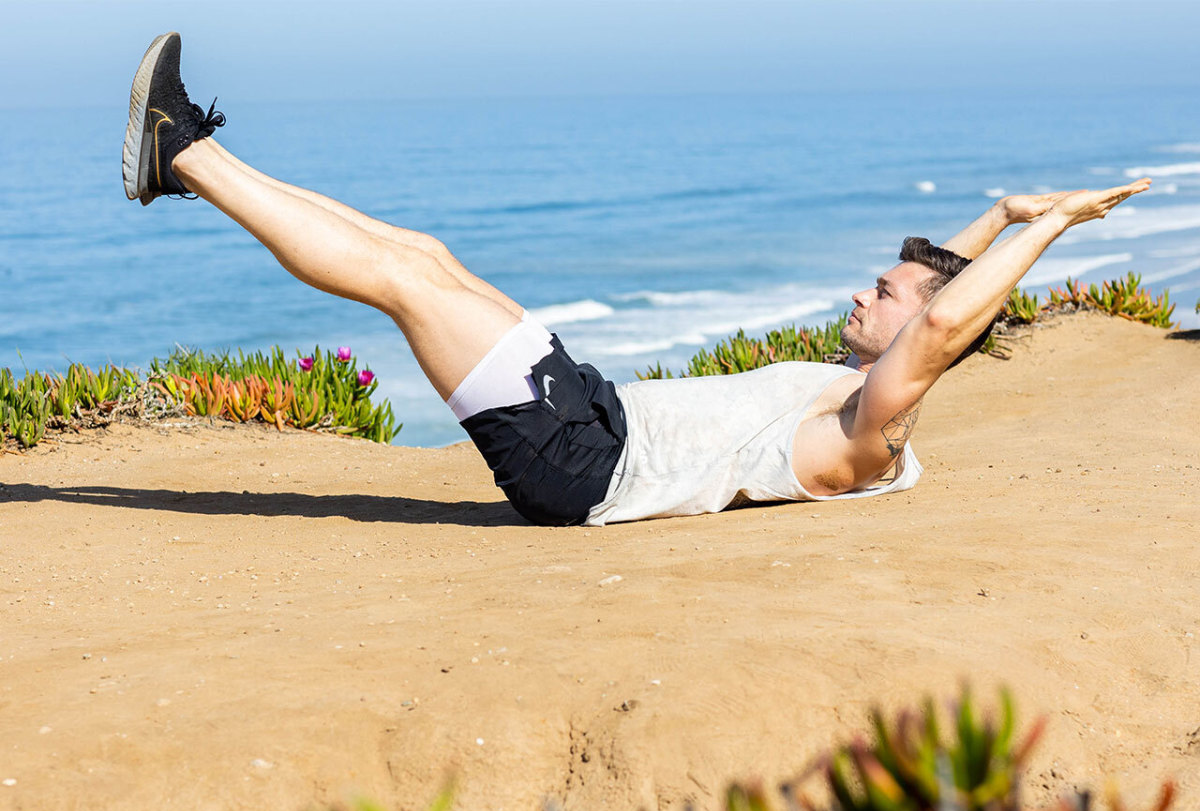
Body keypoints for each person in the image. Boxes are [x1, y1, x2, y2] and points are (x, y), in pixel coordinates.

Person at [123, 34, 1151, 526]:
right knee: (423, 254)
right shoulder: (869, 383)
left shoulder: (871, 431)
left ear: (922, 339)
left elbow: (941, 323)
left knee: (399, 279)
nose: (861, 296)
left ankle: (186, 157)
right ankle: (186, 154)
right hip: (592, 411)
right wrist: (1011, 212)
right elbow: (940, 292)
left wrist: (1055, 226)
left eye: (877, 296)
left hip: (578, 463)